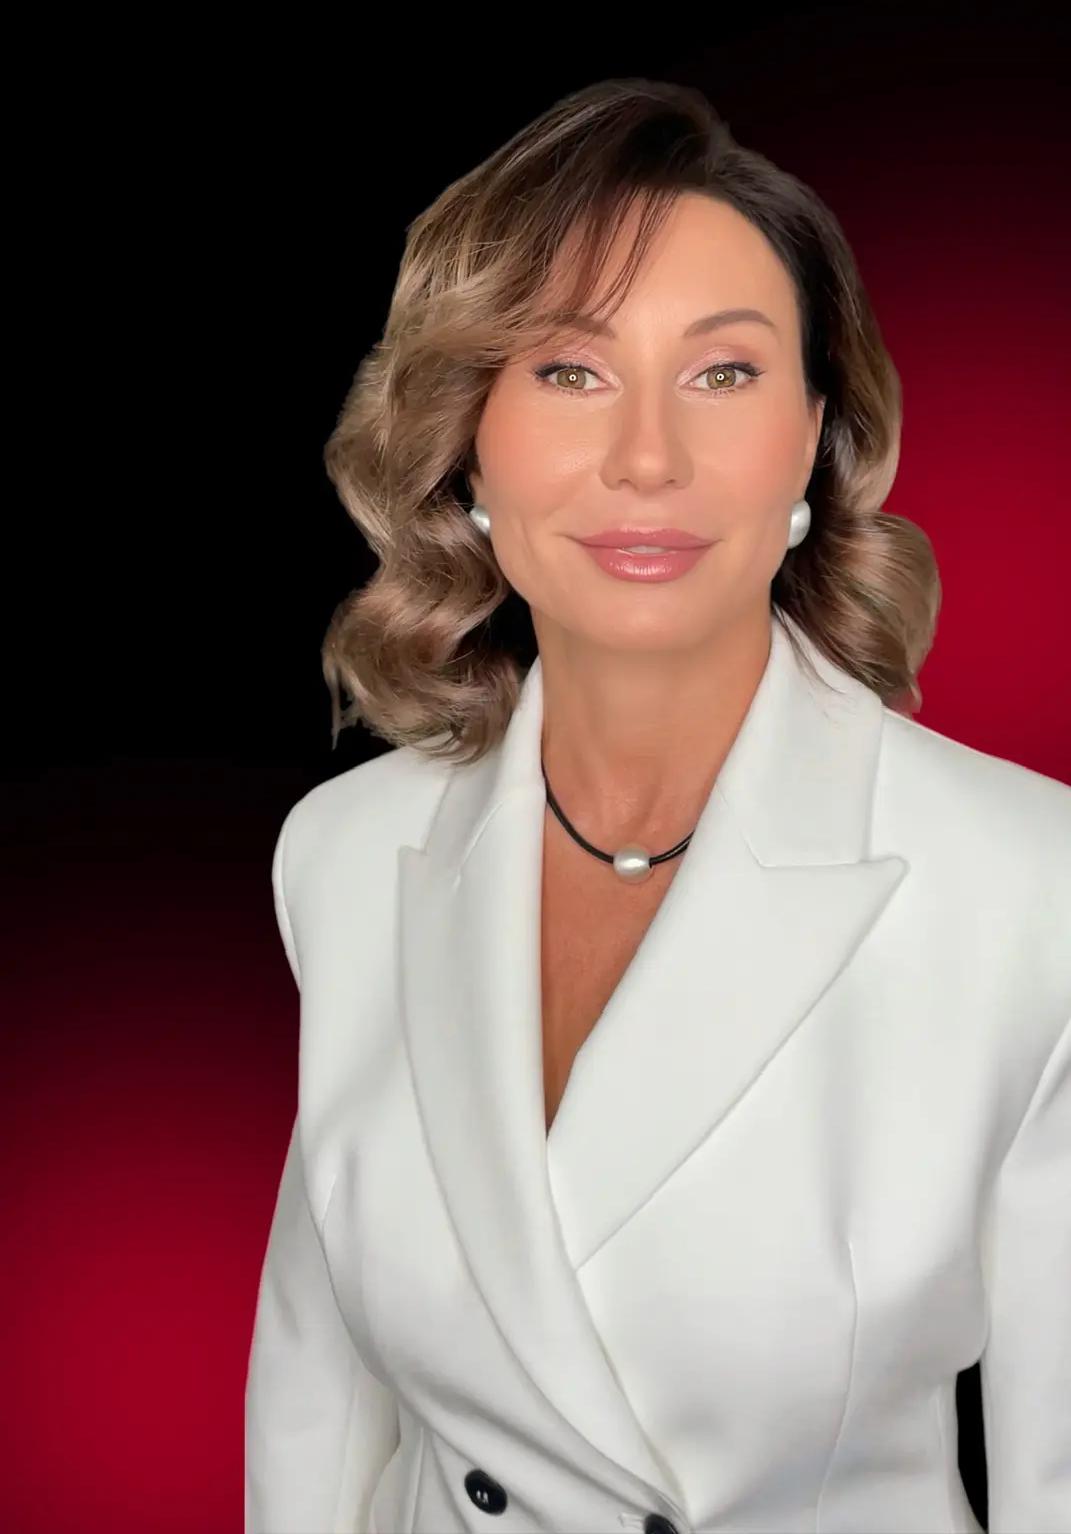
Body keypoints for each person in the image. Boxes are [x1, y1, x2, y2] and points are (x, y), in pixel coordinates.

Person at [244, 80, 1070, 1534]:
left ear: (814, 437)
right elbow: (320, 1401)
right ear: (467, 442)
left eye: (723, 373)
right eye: (569, 371)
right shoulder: (347, 853)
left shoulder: (1028, 891)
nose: (646, 457)